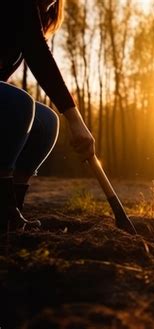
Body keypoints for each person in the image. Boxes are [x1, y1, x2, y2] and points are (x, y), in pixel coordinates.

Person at [0, 0, 95, 232]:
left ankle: (11, 209)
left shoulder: (34, 16)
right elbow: (38, 53)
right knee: (20, 105)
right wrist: (76, 120)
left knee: (46, 122)